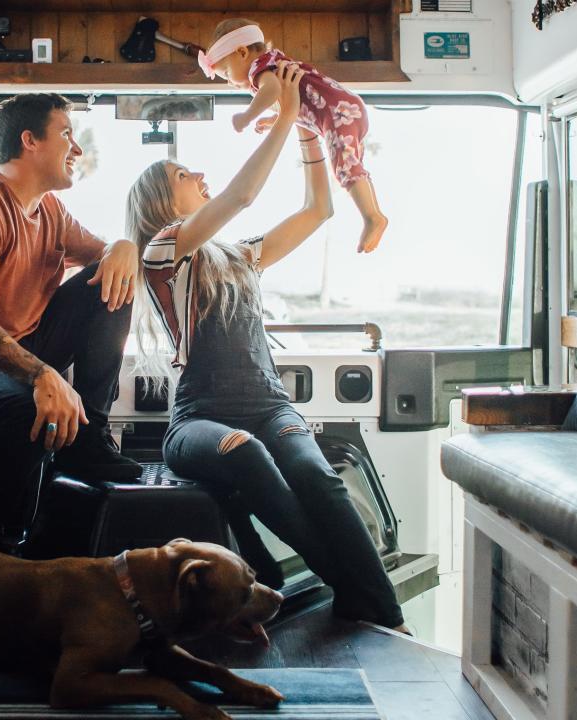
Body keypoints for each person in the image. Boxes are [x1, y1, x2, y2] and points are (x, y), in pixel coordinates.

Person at [125, 64, 407, 631]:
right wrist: (282, 113)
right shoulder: (162, 251)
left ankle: (383, 615)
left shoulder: (238, 257)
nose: (198, 172)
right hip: (201, 418)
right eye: (184, 172)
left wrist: (305, 126)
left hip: (271, 405)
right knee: (245, 451)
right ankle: (352, 589)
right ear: (163, 198)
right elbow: (244, 193)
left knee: (318, 477)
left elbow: (318, 210)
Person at [0, 93, 142, 533]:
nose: (77, 149)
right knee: (29, 415)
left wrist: (125, 246)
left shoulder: (50, 209)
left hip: (35, 341)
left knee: (111, 275)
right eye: (66, 134)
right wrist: (43, 376)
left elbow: (106, 256)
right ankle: (0, 545)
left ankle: (90, 438)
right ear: (29, 141)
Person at [198, 18, 388, 254]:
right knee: (351, 166)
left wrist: (246, 117)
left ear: (242, 52)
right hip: (343, 108)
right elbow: (294, 103)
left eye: (226, 73)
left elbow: (273, 91)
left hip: (337, 112)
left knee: (345, 169)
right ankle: (373, 213)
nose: (229, 82)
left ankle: (372, 216)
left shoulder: (259, 68)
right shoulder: (273, 63)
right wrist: (274, 119)